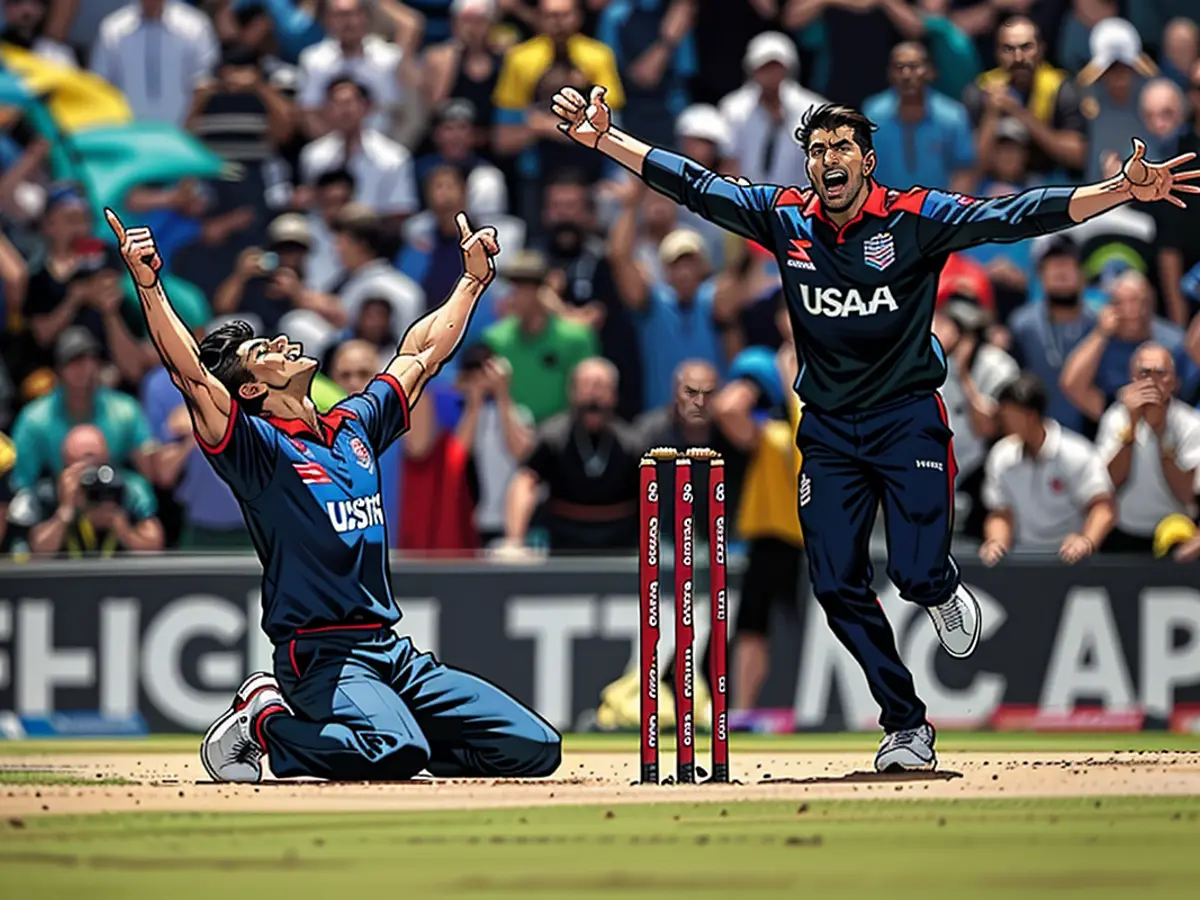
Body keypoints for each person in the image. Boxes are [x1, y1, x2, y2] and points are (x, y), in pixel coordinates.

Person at [550, 82, 1200, 772]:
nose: (828, 159)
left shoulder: (916, 217)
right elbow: (698, 186)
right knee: (835, 583)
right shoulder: (786, 218)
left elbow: (1015, 215)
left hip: (908, 420)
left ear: (867, 159)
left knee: (916, 574)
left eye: (841, 148)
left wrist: (1118, 190)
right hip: (827, 430)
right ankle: (906, 726)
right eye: (817, 149)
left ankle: (941, 587)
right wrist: (605, 139)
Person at [104, 206, 560, 783]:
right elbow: (191, 375)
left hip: (391, 651)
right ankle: (265, 723)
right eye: (262, 352)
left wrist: (472, 281)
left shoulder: (353, 426)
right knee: (394, 751)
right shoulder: (257, 448)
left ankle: (387, 742)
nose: (279, 342)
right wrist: (149, 284)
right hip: (320, 657)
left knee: (534, 747)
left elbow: (422, 353)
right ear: (250, 388)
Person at [980, 373, 1115, 563]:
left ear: (1031, 416)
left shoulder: (1077, 452)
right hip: (1021, 559)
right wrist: (996, 543)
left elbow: (1102, 507)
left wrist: (1086, 541)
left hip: (1071, 559)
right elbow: (1000, 512)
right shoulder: (1001, 455)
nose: (1004, 422)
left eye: (1009, 416)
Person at [1094, 342, 1200, 554]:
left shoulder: (1190, 424)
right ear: (1132, 379)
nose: (1152, 381)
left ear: (1175, 383)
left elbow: (1187, 493)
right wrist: (1131, 429)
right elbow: (1109, 484)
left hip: (1175, 532)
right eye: (1144, 373)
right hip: (1123, 532)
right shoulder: (1115, 418)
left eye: (1161, 373)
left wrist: (1162, 436)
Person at [6, 424, 164, 558]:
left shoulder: (129, 489)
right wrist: (65, 512)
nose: (89, 472)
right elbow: (37, 554)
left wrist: (123, 529)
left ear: (107, 458)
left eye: (95, 462)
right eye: (79, 464)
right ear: (65, 463)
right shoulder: (48, 492)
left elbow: (155, 547)